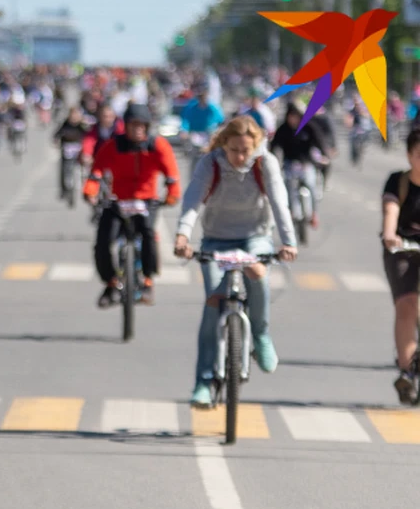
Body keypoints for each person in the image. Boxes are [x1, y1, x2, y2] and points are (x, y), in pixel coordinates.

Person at [173, 115, 297, 407]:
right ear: (223, 145)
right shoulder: (210, 164)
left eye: (246, 150)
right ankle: (204, 381)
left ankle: (261, 334)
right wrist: (182, 234)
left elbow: (280, 201)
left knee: (257, 272)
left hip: (254, 237)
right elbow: (193, 199)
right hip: (216, 239)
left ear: (255, 147)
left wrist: (289, 241)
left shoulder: (264, 163)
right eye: (234, 150)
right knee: (213, 302)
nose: (240, 157)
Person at [82, 103, 181, 307]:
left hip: (147, 201)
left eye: (141, 125)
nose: (137, 129)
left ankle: (147, 281)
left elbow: (172, 176)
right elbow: (96, 172)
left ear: (147, 126)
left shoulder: (158, 146)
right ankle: (111, 283)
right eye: (132, 125)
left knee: (148, 236)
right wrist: (90, 191)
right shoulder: (113, 145)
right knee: (103, 240)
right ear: (125, 126)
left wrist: (172, 195)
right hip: (118, 200)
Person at [381, 129, 420, 404]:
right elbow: (390, 209)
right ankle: (406, 371)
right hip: (402, 250)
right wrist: (389, 233)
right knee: (406, 304)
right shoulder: (398, 181)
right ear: (409, 155)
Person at [270, 101, 328, 229]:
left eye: (297, 116)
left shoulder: (309, 127)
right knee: (288, 186)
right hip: (289, 163)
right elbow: (274, 146)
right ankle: (290, 212)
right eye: (292, 116)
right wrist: (272, 159)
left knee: (312, 186)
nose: (294, 119)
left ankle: (314, 214)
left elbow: (320, 142)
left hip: (306, 163)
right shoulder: (283, 129)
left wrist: (324, 155)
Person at [53, 106, 90, 198]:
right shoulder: (65, 124)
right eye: (72, 114)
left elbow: (89, 135)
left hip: (79, 151)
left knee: (84, 169)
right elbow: (57, 134)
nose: (74, 117)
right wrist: (57, 140)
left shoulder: (81, 125)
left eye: (76, 114)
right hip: (67, 150)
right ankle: (64, 190)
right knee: (64, 170)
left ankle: (85, 188)